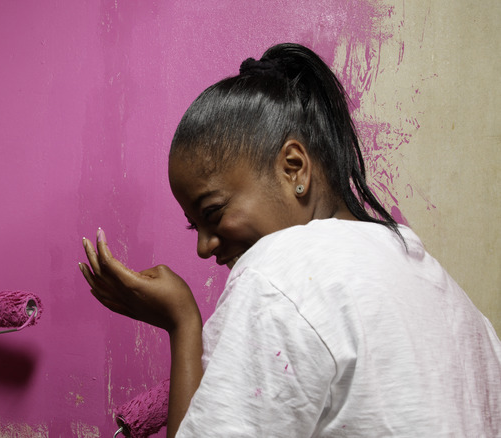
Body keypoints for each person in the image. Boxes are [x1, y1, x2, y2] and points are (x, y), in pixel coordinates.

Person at [80, 43, 501, 437]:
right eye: (196, 227)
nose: (204, 247)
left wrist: (182, 321)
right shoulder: (450, 299)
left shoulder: (279, 272)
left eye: (212, 212)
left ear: (294, 168)